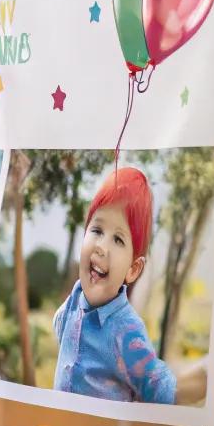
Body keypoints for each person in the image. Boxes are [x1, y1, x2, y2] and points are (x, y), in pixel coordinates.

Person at [52, 167, 178, 403]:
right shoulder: (77, 295)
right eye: (97, 230)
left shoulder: (125, 330)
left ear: (133, 269)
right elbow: (60, 324)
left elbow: (160, 386)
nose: (101, 246)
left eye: (118, 239)